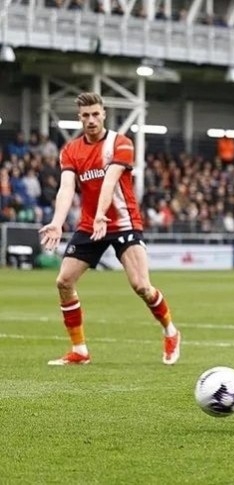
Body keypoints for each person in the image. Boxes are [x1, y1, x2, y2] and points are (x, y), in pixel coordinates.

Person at [38, 92, 181, 366]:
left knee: (142, 286)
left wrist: (103, 214)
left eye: (95, 114)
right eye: (85, 115)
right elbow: (67, 187)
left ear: (103, 114)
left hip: (124, 222)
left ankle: (171, 331)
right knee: (64, 281)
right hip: (91, 224)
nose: (91, 120)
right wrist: (57, 222)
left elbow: (110, 180)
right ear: (78, 118)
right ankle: (79, 351)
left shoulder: (121, 143)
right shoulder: (70, 150)